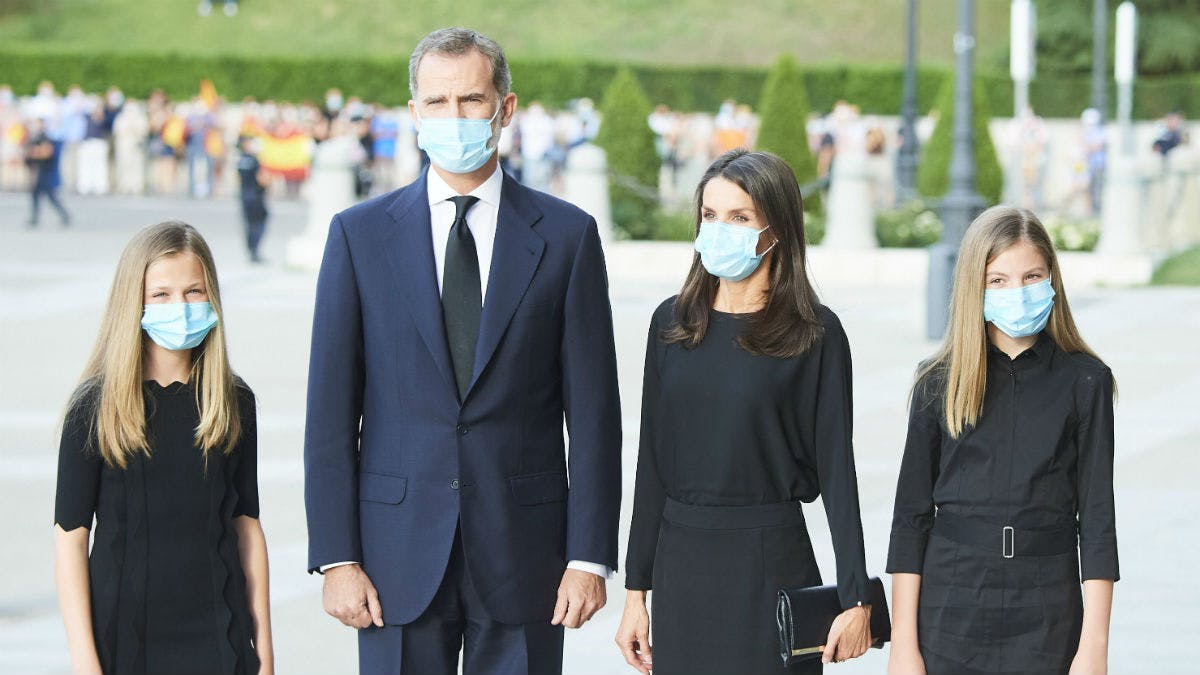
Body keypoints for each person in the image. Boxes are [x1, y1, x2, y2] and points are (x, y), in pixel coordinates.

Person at [303, 27, 622, 675]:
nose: (455, 117)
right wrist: (337, 557)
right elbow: (329, 414)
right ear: (415, 113)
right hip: (394, 555)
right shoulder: (359, 237)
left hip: (526, 550)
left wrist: (587, 556)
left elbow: (594, 417)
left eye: (472, 101)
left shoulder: (567, 237)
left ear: (505, 109)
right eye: (438, 103)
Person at [616, 149, 874, 675]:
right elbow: (651, 465)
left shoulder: (815, 334)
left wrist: (857, 597)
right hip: (681, 569)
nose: (719, 229)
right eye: (710, 216)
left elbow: (838, 472)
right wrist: (635, 591)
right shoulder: (671, 322)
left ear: (775, 228)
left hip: (771, 564)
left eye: (739, 217)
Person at [886, 206, 1118, 675]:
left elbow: (1097, 522)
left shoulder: (1086, 381)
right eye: (999, 280)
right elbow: (910, 519)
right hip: (952, 601)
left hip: (1048, 607)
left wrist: (1093, 649)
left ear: (1052, 279)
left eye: (1032, 276)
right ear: (976, 286)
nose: (1019, 291)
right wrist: (903, 647)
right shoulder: (938, 382)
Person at [53, 221, 274, 674]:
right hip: (123, 636)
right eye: (161, 294)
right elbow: (70, 539)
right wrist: (84, 658)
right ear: (132, 302)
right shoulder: (94, 407)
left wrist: (265, 652)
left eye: (194, 291)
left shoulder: (233, 402)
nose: (181, 306)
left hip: (219, 632)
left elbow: (247, 527)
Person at [24, 117, 71, 228]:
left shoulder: (45, 138)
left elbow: (46, 154)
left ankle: (64, 215)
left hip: (45, 171)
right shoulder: (35, 138)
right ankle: (35, 218)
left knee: (50, 196)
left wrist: (34, 153)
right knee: (36, 195)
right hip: (39, 171)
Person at [236, 135, 269, 262]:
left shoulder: (241, 160)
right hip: (256, 195)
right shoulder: (255, 160)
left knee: (249, 224)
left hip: (245, 195)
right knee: (259, 222)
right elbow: (262, 179)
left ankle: (250, 248)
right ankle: (255, 250)